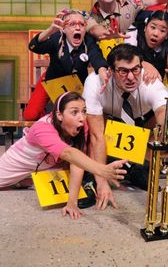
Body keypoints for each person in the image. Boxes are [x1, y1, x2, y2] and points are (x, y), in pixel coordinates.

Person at [82, 44, 168, 210]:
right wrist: (101, 180)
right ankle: (90, 178)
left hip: (143, 122)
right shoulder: (95, 83)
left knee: (157, 132)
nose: (130, 77)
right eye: (123, 71)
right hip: (108, 121)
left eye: (135, 70)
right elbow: (96, 135)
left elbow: (167, 116)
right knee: (87, 132)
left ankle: (137, 169)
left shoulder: (150, 82)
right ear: (110, 71)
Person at [0, 91, 127, 219]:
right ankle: (21, 181)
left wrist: (72, 203)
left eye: (84, 111)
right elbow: (68, 153)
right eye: (74, 112)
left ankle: (25, 182)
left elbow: (77, 162)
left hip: (47, 167)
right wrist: (102, 170)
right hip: (18, 165)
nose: (82, 118)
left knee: (79, 175)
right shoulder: (42, 128)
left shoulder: (82, 126)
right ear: (59, 115)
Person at [23, 8, 109, 121]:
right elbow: (34, 46)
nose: (78, 27)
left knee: (81, 118)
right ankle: (46, 122)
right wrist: (50, 30)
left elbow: (97, 58)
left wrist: (103, 72)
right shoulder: (56, 38)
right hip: (52, 80)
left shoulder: (88, 41)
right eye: (72, 24)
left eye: (82, 24)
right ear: (63, 29)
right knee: (30, 115)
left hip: (77, 84)